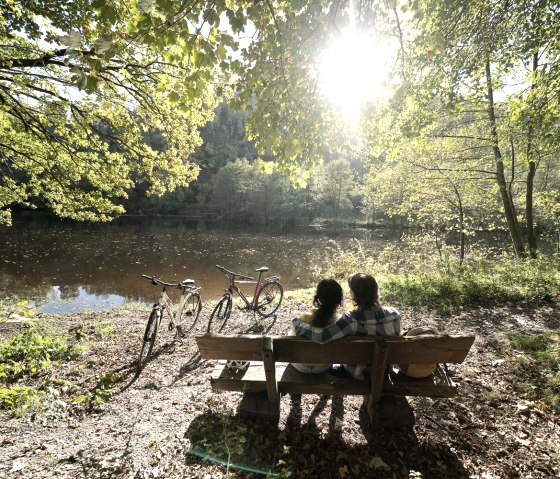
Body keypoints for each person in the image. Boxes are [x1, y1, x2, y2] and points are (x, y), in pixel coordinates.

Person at [292, 272, 402, 379]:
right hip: (384, 371)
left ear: (354, 294)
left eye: (350, 289)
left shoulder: (351, 319)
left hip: (359, 375)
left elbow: (321, 336)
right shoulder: (394, 314)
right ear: (375, 291)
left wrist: (298, 324)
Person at [291, 279, 344, 373]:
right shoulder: (340, 321)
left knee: (291, 332)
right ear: (338, 299)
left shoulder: (304, 318)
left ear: (318, 297)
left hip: (300, 365)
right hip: (323, 366)